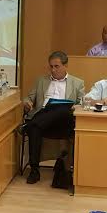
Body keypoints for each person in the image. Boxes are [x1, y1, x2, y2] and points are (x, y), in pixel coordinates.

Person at [22, 51, 85, 184]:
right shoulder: (41, 81)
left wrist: (73, 107)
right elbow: (29, 98)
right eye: (51, 66)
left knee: (62, 108)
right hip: (43, 118)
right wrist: (27, 103)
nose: (53, 70)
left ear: (65, 66)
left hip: (64, 121)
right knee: (35, 128)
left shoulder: (77, 83)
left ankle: (29, 125)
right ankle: (34, 170)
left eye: (57, 66)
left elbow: (82, 103)